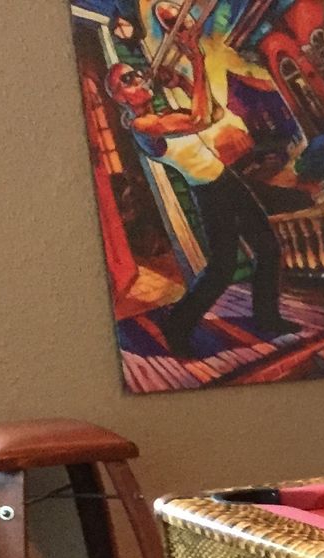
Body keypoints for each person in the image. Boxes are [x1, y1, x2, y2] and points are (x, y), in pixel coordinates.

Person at [105, 30, 293, 359]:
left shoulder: (164, 115)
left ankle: (267, 318)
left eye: (135, 73)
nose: (138, 79)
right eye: (128, 80)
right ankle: (177, 326)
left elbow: (214, 113)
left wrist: (180, 80)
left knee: (268, 248)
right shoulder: (143, 126)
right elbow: (199, 118)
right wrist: (195, 58)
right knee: (221, 269)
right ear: (121, 98)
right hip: (210, 193)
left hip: (226, 181)